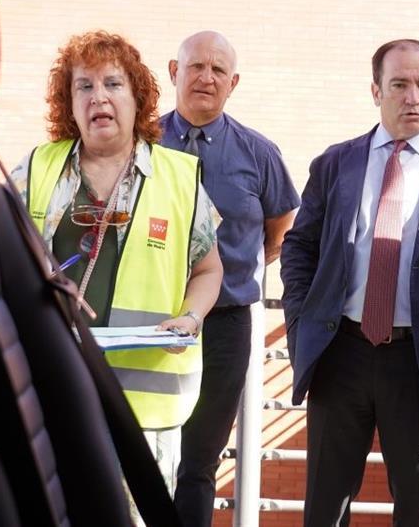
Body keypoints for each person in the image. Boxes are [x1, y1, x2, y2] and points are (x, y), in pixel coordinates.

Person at [281, 39, 419, 526]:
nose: (413, 97)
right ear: (375, 90)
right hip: (339, 354)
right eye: (400, 85)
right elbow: (298, 248)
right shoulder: (335, 163)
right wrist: (301, 321)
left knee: (416, 507)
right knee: (325, 504)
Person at [10, 30, 222, 523]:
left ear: (138, 97)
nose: (98, 97)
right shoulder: (38, 168)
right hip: (54, 387)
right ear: (70, 102)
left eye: (112, 84)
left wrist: (190, 317)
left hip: (142, 410)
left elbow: (210, 270)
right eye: (83, 87)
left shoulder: (179, 176)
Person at [159, 31, 300, 527]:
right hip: (151, 324)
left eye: (219, 70)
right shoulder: (141, 145)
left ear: (233, 82)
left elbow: (280, 229)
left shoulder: (258, 153)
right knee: (148, 452)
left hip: (225, 327)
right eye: (196, 66)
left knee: (199, 462)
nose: (206, 77)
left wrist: (226, 270)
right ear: (174, 73)